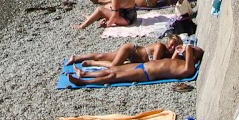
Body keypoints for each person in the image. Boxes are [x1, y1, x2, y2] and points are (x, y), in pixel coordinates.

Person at [67, 43, 204, 87]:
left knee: (113, 76)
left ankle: (82, 82)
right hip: (143, 66)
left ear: (193, 57)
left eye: (192, 50)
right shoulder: (180, 61)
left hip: (146, 73)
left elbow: (188, 70)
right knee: (114, 69)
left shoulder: (187, 68)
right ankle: (85, 73)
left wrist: (189, 51)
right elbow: (171, 63)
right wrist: (178, 51)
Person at [68, 34, 183, 67]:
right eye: (172, 44)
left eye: (175, 47)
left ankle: (76, 58)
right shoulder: (160, 46)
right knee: (113, 65)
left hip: (132, 58)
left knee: (102, 56)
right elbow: (155, 63)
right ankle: (91, 62)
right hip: (131, 50)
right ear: (168, 42)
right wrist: (174, 55)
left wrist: (176, 53)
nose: (172, 47)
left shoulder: (168, 55)